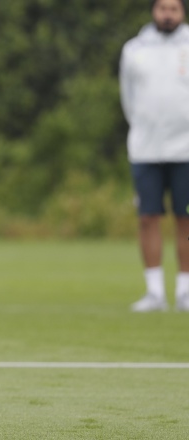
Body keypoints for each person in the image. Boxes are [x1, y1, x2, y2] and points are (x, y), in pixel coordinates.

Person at [119, 0, 189, 312]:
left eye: (173, 9)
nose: (167, 14)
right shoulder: (135, 49)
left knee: (184, 217)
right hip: (146, 149)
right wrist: (144, 129)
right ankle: (155, 292)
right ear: (153, 11)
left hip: (186, 149)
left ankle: (185, 291)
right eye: (162, 8)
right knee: (148, 217)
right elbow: (128, 98)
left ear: (182, 12)